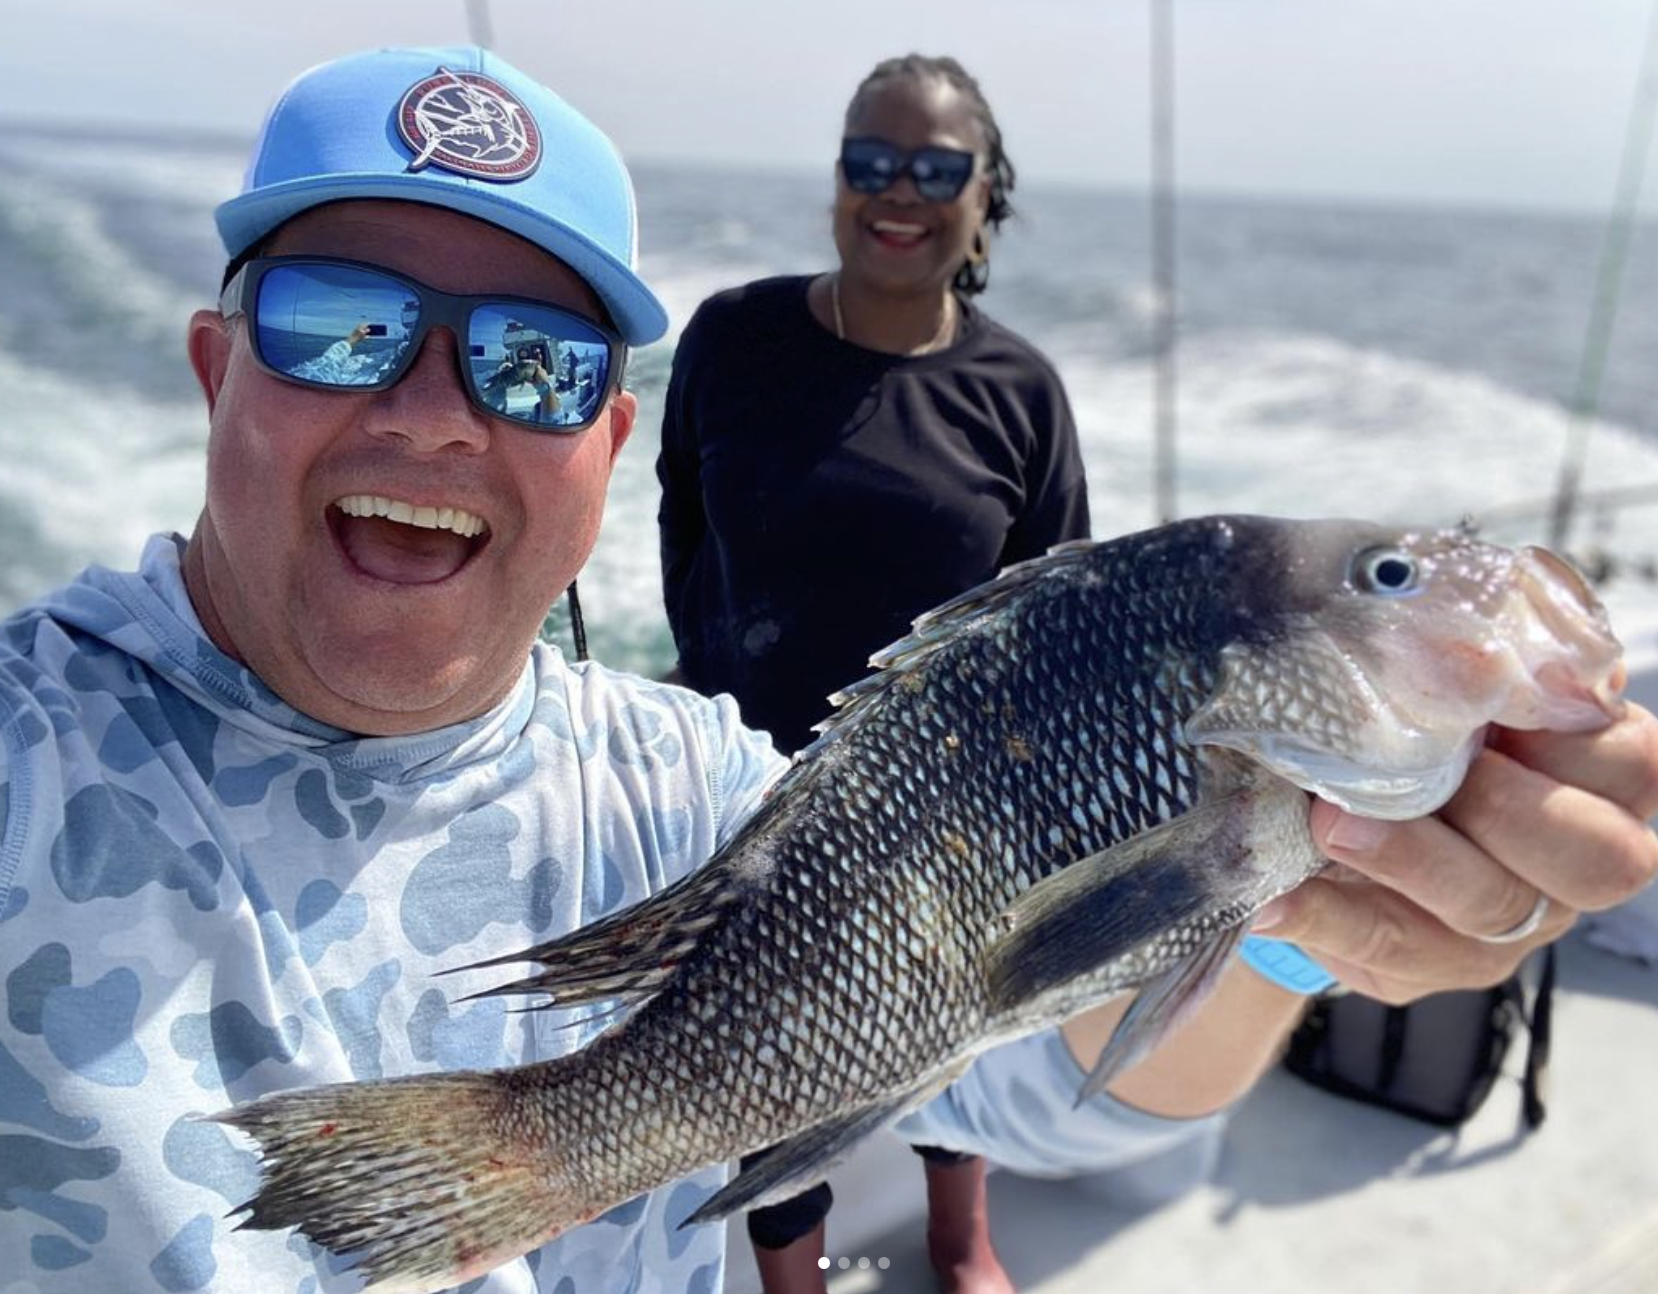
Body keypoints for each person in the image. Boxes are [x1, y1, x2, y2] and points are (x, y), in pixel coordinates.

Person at [0, 43, 1654, 1294]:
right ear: (214, 368)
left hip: (912, 793)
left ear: (594, 440)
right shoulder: (29, 753)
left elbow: (1055, 1085)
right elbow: (698, 531)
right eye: (339, 324)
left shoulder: (684, 791)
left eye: (534, 362)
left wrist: (1298, 927)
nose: (435, 412)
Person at [655, 53, 1088, 1293]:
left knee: (951, 1020)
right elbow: (681, 518)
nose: (898, 190)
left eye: (935, 169)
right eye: (870, 160)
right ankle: (793, 1276)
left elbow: (1054, 626)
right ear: (839, 178)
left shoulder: (1019, 393)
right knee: (761, 1052)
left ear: (984, 194)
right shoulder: (732, 337)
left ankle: (961, 1240)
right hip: (748, 789)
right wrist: (711, 689)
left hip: (941, 813)